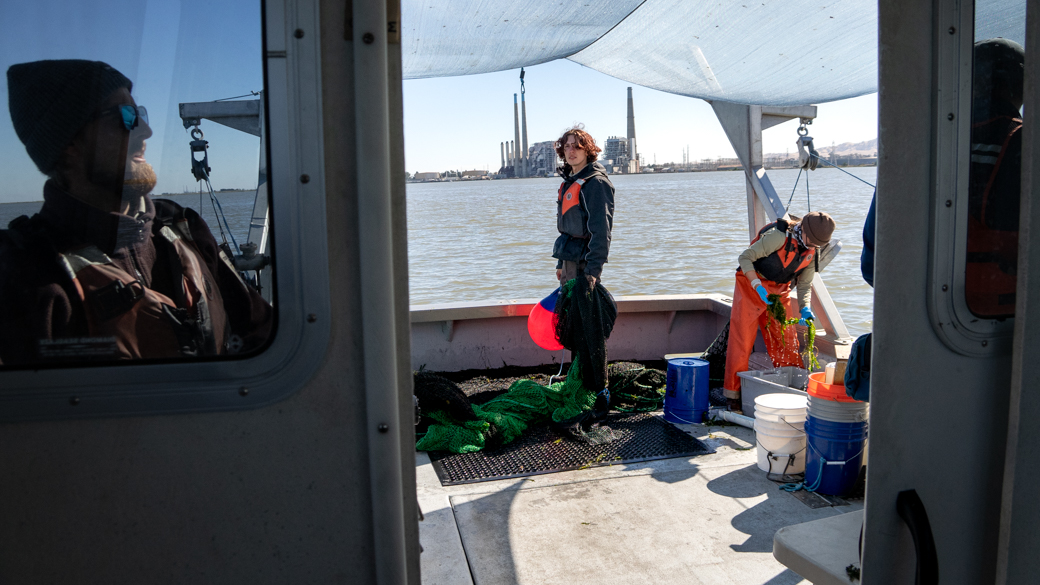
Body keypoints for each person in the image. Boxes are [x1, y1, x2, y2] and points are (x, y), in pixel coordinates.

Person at [0, 59, 272, 365]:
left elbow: (260, 334)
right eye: (126, 116)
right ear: (69, 143)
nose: (146, 131)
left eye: (139, 113)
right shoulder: (25, 277)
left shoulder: (184, 228)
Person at [723, 211, 836, 411]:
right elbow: (745, 257)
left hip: (779, 290)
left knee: (786, 340)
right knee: (742, 341)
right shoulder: (778, 236)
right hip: (751, 285)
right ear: (804, 230)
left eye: (818, 246)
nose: (813, 247)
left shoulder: (812, 250)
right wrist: (757, 285)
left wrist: (805, 308)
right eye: (813, 242)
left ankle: (791, 389)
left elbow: (804, 285)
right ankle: (734, 397)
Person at [552, 126, 615, 421]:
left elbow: (601, 233)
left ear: (588, 149)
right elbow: (568, 229)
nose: (571, 150)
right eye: (567, 147)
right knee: (574, 329)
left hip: (584, 268)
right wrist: (560, 266)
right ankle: (578, 383)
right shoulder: (570, 182)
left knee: (591, 333)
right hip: (569, 264)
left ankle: (601, 392)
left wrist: (592, 272)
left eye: (577, 146)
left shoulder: (594, 183)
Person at [965, 38, 1024, 317]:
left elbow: (871, 267)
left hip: (938, 317)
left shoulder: (924, 145)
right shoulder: (1026, 140)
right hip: (1016, 320)